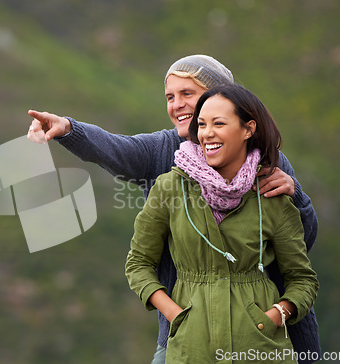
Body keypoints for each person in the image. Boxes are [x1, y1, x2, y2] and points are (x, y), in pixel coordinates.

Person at [27, 55, 320, 363]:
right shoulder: (162, 153)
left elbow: (303, 246)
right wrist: (68, 129)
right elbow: (114, 148)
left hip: (271, 338)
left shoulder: (267, 162)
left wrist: (296, 195)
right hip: (186, 337)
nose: (176, 104)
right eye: (170, 97)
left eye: (187, 94)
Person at [125, 83, 319, 363]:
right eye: (202, 124)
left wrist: (276, 316)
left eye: (218, 123)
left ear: (247, 129)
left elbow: (303, 279)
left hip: (260, 350)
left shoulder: (270, 194)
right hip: (191, 349)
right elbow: (138, 263)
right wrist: (175, 315)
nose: (207, 133)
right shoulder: (169, 188)